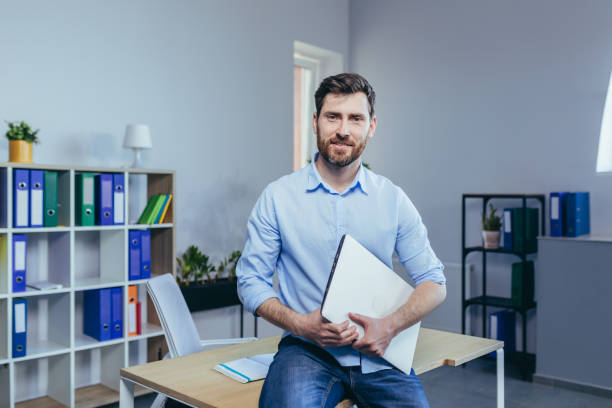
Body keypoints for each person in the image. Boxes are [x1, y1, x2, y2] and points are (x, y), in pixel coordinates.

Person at [236, 73, 446, 408]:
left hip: (380, 352)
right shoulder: (278, 197)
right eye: (333, 117)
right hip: (306, 351)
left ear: (371, 126)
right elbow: (249, 282)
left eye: (356, 118)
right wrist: (301, 325)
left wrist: (389, 326)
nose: (343, 130)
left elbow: (434, 282)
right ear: (316, 121)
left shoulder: (392, 199)